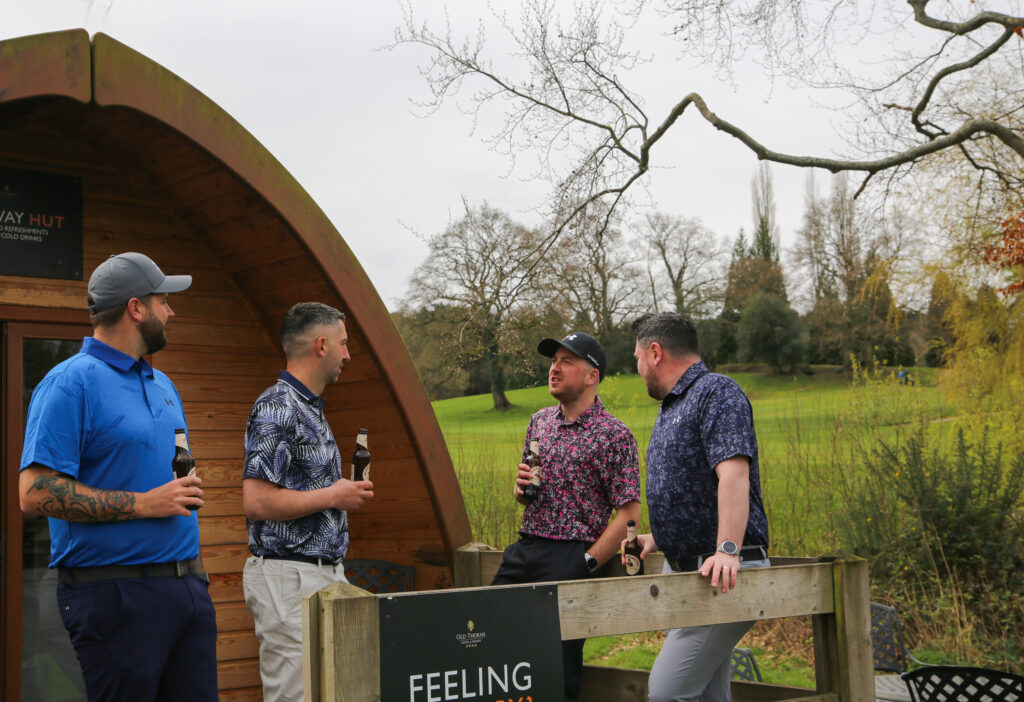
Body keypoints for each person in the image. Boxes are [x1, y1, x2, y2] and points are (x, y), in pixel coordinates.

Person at [19, 251, 217, 702]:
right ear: (136, 308)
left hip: (187, 590)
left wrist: (195, 577)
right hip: (114, 595)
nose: (172, 312)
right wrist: (144, 504)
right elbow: (33, 492)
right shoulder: (70, 383)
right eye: (164, 301)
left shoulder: (164, 385)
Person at [627, 312, 770, 702]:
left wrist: (728, 549)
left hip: (721, 575)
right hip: (693, 575)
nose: (637, 369)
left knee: (666, 692)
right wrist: (659, 537)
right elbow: (693, 491)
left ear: (655, 353)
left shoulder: (716, 392)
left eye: (638, 358)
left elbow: (733, 475)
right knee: (707, 695)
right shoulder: (674, 406)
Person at [491, 331, 641, 702]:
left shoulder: (615, 435)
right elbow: (528, 493)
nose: (554, 369)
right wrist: (520, 490)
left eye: (566, 361)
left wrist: (587, 562)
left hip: (571, 556)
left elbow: (629, 514)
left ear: (592, 376)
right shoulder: (539, 422)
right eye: (553, 361)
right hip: (525, 548)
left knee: (556, 670)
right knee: (491, 642)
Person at [242, 301, 375, 702]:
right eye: (343, 343)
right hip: (288, 578)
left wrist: (339, 494)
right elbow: (257, 501)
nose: (348, 355)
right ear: (321, 345)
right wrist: (334, 495)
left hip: (322, 575)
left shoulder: (309, 408)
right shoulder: (276, 406)